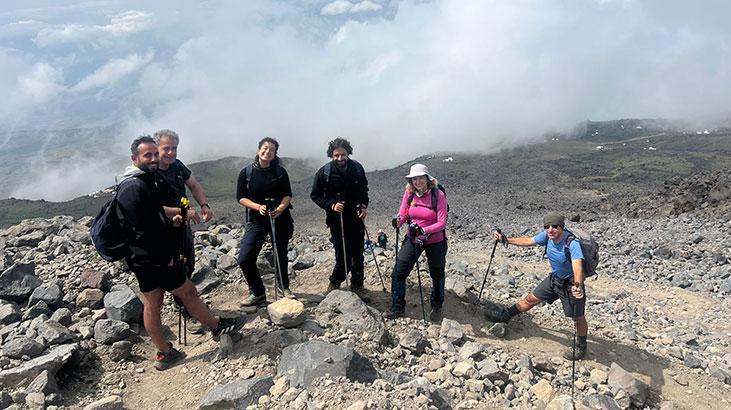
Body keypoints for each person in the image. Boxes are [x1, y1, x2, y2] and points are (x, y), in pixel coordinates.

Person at [116, 136, 244, 370]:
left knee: (152, 302)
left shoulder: (138, 180)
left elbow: (151, 215)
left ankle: (165, 353)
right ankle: (217, 327)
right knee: (188, 291)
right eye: (149, 155)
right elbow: (143, 225)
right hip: (154, 255)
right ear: (135, 158)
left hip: (141, 257)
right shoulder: (134, 186)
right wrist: (171, 227)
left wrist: (172, 219)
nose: (154, 158)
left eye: (156, 154)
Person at [488, 212, 588, 359]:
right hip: (555, 280)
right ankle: (505, 316)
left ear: (562, 227)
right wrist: (506, 240)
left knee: (577, 316)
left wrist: (578, 285)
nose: (550, 230)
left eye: (554, 226)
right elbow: (529, 241)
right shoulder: (546, 236)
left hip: (571, 284)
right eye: (547, 226)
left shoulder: (572, 243)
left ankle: (581, 347)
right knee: (531, 299)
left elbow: (578, 266)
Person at [153, 129, 213, 332]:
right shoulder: (150, 174)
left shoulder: (176, 166)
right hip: (162, 231)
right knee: (175, 270)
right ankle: (185, 309)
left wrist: (204, 204)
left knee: (188, 264)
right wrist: (182, 211)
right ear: (157, 148)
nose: (170, 152)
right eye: (166, 148)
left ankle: (188, 305)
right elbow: (151, 207)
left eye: (174, 148)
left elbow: (194, 185)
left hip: (183, 227)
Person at [385, 164, 448, 321]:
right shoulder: (409, 193)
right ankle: (397, 307)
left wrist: (424, 230)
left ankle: (437, 305)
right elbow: (404, 214)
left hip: (435, 240)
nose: (418, 181)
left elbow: (442, 222)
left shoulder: (438, 195)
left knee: (437, 273)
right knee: (399, 271)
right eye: (414, 178)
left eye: (421, 178)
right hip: (413, 238)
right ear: (411, 180)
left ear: (428, 179)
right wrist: (398, 222)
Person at [236, 137, 295, 306]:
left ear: (275, 154)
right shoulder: (246, 173)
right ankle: (258, 292)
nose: (267, 152)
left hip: (280, 217)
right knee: (245, 258)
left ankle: (284, 287)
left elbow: (287, 194)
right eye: (265, 148)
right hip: (257, 219)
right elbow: (240, 198)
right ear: (258, 150)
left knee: (280, 254)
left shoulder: (280, 172)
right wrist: (257, 207)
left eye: (272, 150)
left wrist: (280, 209)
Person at [310, 138, 369, 294]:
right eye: (336, 155)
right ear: (331, 155)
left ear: (348, 153)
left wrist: (364, 206)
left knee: (357, 254)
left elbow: (364, 190)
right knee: (342, 255)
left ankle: (357, 285)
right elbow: (315, 195)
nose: (340, 158)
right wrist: (331, 205)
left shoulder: (357, 168)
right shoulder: (324, 172)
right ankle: (335, 283)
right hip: (337, 220)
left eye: (343, 154)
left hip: (356, 218)